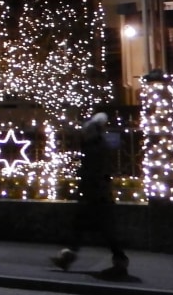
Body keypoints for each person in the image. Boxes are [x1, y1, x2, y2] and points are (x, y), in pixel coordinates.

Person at [50, 112, 130, 279]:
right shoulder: (98, 145)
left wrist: (86, 189)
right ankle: (67, 257)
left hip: (95, 195)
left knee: (100, 229)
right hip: (97, 194)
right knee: (84, 227)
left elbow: (93, 172)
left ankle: (120, 261)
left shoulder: (94, 148)